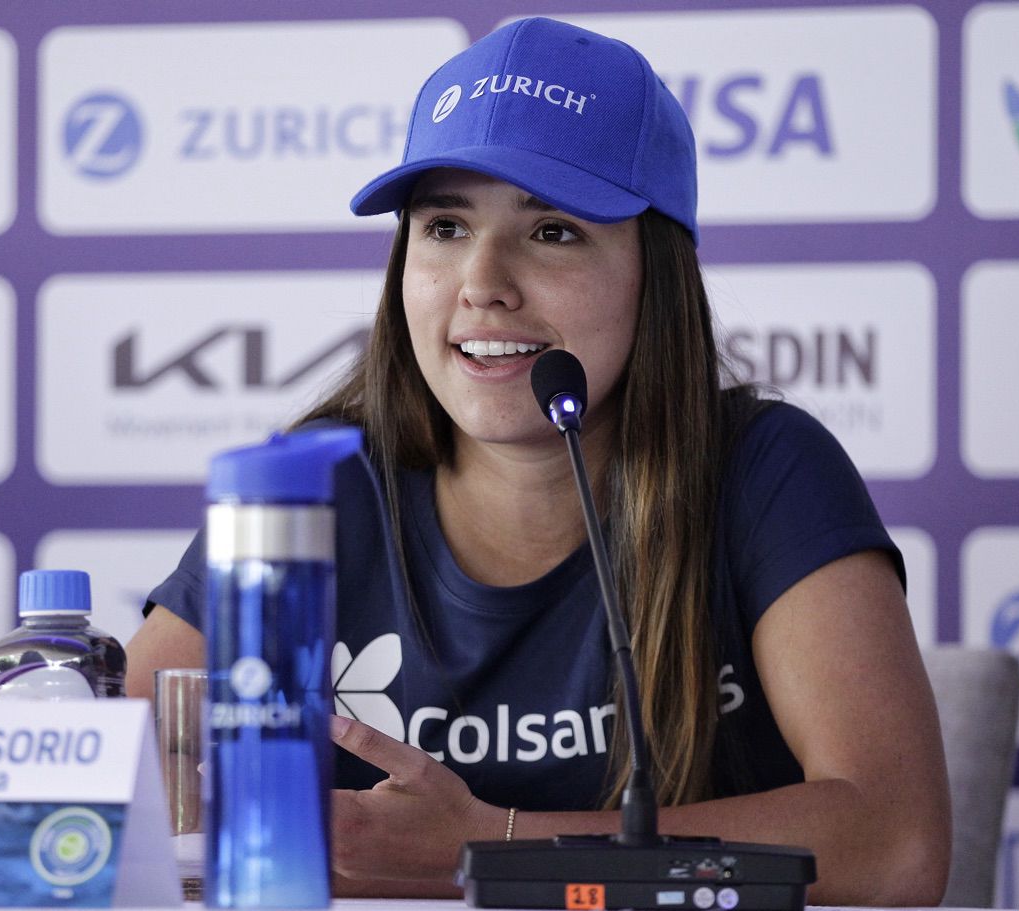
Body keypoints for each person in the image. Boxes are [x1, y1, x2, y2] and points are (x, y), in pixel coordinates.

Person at [125, 16, 950, 906]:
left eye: (552, 231)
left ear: (656, 273)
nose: (483, 280)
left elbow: (897, 844)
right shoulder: (312, 488)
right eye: (444, 226)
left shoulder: (764, 470)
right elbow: (99, 774)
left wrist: (490, 844)